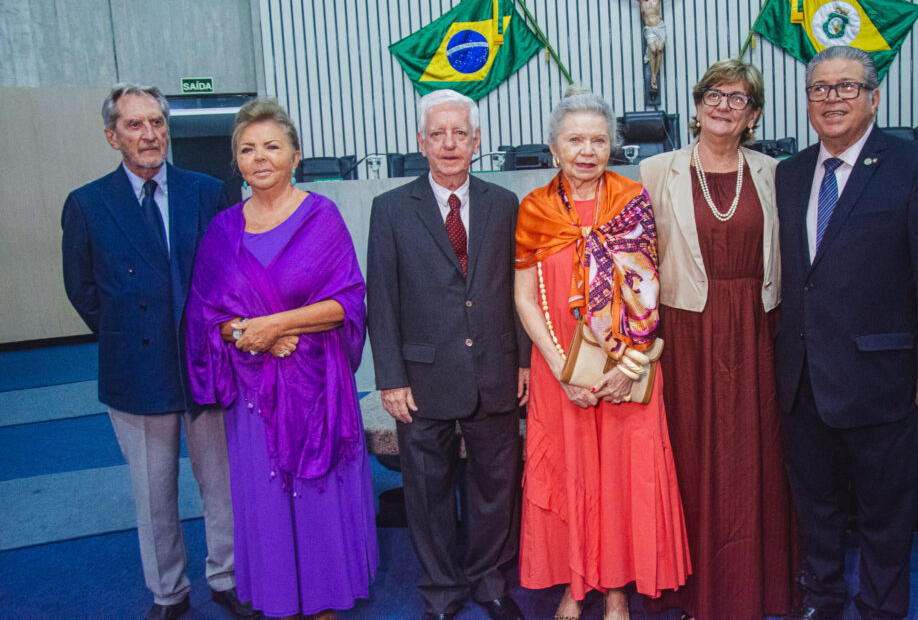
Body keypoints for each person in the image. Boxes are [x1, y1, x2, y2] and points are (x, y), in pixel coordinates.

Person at [774, 46, 918, 620]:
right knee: (816, 507)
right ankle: (823, 599)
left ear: (874, 96)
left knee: (886, 512)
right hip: (803, 380)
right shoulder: (789, 173)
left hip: (882, 379)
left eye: (846, 87)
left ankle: (882, 609)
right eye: (819, 89)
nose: (831, 99)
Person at [61, 83, 255, 620]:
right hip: (135, 370)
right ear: (111, 136)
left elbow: (232, 273)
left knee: (222, 485)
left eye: (157, 123)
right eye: (134, 125)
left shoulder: (207, 191)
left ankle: (228, 578)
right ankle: (169, 592)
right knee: (153, 494)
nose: (149, 134)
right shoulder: (87, 203)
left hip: (207, 366)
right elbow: (82, 289)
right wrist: (125, 334)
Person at [184, 98, 378, 618]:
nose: (259, 157)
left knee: (316, 490)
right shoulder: (223, 230)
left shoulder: (322, 216)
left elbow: (350, 301)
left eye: (272, 146)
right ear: (237, 162)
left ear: (296, 156)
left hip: (316, 386)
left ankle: (323, 597)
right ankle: (278, 596)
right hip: (252, 395)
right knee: (266, 494)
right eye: (247, 149)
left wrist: (281, 324)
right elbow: (206, 315)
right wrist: (250, 332)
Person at [514, 86, 691, 620]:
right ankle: (577, 581)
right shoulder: (535, 209)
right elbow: (523, 296)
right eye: (574, 139)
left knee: (620, 478)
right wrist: (557, 366)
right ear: (553, 147)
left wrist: (626, 366)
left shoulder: (631, 200)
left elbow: (648, 290)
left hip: (628, 369)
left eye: (597, 140)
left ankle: (616, 590)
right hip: (560, 371)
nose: (586, 150)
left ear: (613, 146)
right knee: (571, 476)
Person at [638, 59, 798, 619]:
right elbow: (635, 261)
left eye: (737, 97)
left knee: (758, 454)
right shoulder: (656, 170)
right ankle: (688, 588)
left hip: (757, 328)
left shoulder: (776, 173)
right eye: (713, 93)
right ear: (697, 104)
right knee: (689, 454)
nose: (723, 104)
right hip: (686, 332)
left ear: (753, 113)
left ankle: (760, 585)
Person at [366, 89, 529, 620]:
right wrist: (389, 377)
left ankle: (489, 579)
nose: (450, 143)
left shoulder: (506, 206)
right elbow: (382, 299)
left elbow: (519, 290)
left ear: (477, 140)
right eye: (438, 134)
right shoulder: (389, 210)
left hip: (495, 370)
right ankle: (439, 588)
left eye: (460, 132)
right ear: (421, 142)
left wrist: (524, 360)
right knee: (428, 491)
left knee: (496, 487)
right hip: (421, 376)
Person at [597, 0, 700, 93]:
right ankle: (653, 76)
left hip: (660, 26)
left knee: (660, 50)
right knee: (652, 50)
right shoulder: (639, 0)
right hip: (650, 29)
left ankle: (655, 74)